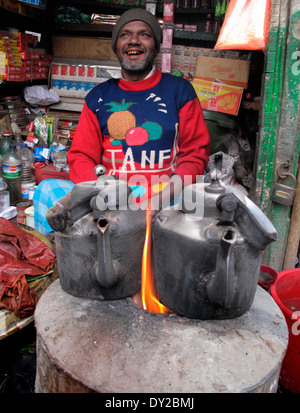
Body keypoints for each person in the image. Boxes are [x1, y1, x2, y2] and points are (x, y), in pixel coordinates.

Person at [46, 8, 210, 232]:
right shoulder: (98, 97)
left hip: (166, 197)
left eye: (144, 34)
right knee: (45, 190)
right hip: (109, 197)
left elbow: (194, 154)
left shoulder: (179, 91)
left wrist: (160, 199)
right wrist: (102, 192)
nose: (134, 41)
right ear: (116, 47)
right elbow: (82, 156)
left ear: (156, 46)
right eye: (125, 35)